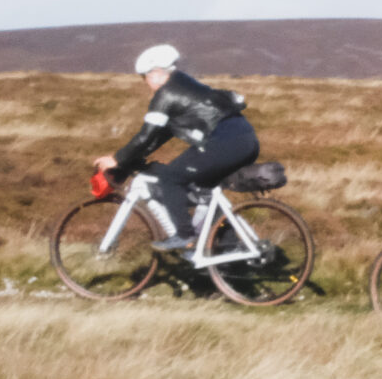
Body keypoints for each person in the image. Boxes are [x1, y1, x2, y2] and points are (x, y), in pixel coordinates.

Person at [91, 44, 257, 252]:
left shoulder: (167, 94)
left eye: (145, 77)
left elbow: (146, 135)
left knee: (170, 177)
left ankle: (185, 236)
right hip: (240, 139)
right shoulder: (183, 84)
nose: (145, 82)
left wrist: (116, 159)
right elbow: (159, 135)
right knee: (204, 190)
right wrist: (130, 160)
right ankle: (228, 247)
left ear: (157, 72)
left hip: (225, 142)